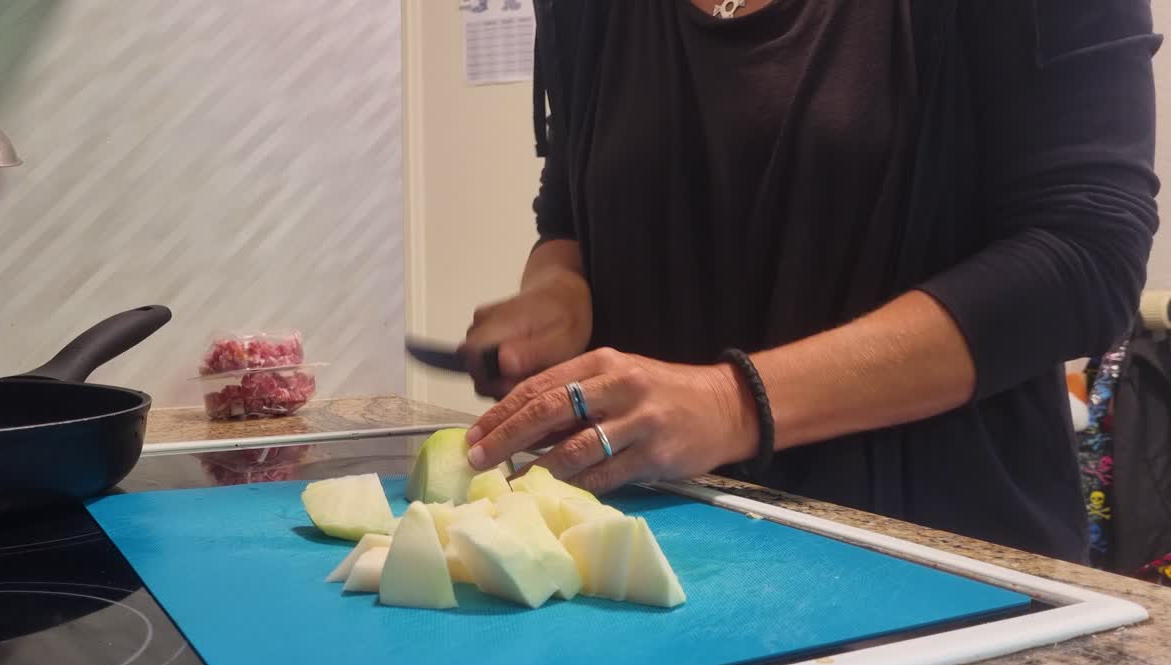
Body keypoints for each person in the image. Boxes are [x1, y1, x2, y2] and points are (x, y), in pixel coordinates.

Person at [458, 0, 1161, 563]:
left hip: (931, 574)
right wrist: (559, 294)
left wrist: (731, 405)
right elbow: (569, 210)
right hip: (642, 554)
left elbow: (1085, 255)